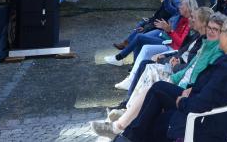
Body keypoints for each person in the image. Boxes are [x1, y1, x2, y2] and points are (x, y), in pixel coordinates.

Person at [119, 18, 227, 142]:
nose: (220, 36)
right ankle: (130, 134)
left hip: (203, 120)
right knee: (159, 88)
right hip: (204, 106)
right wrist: (192, 89)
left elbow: (205, 102)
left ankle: (130, 135)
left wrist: (183, 102)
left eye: (222, 32)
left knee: (157, 118)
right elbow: (212, 91)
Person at [91, 9, 219, 138]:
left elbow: (197, 72)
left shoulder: (214, 50)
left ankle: (121, 124)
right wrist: (173, 76)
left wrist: (170, 35)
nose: (210, 31)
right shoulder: (204, 43)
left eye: (215, 29)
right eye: (210, 28)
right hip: (180, 74)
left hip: (188, 91)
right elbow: (188, 64)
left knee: (154, 82)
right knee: (148, 73)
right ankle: (125, 119)